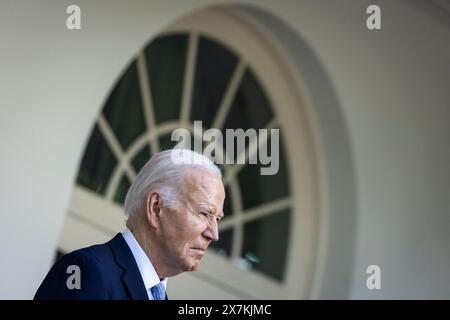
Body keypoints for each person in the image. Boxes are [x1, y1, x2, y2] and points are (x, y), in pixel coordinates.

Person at [34, 149, 225, 300]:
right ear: (156, 208)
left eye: (217, 219)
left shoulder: (157, 294)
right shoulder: (87, 272)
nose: (214, 234)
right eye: (205, 213)